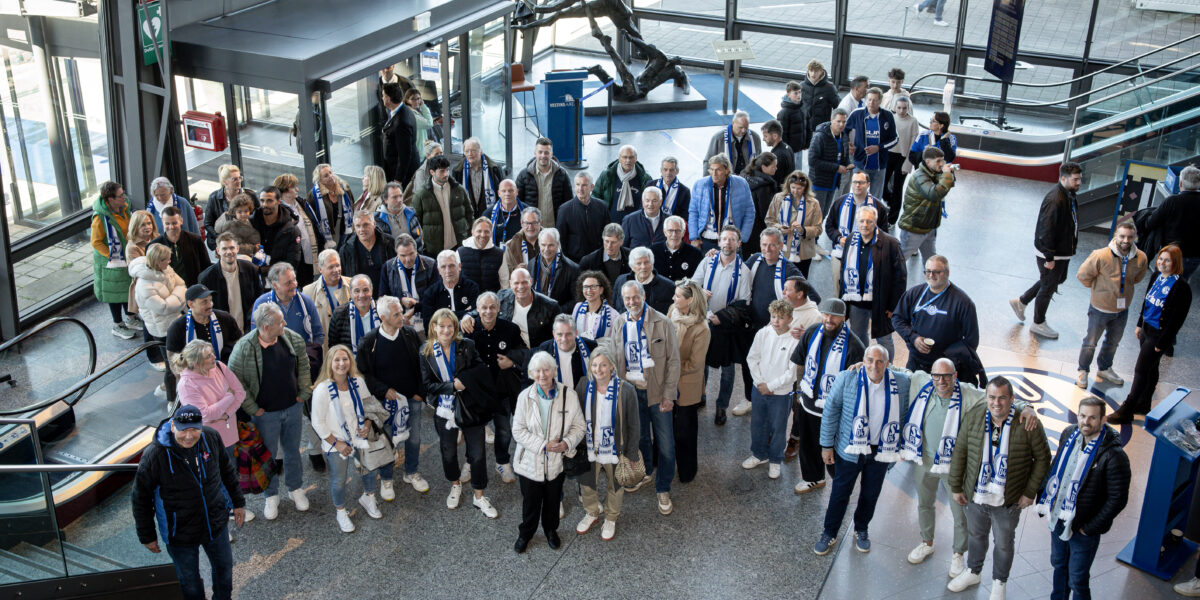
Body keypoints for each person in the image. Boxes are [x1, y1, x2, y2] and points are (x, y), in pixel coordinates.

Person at [898, 358, 1037, 578]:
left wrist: (1027, 407)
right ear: (931, 375)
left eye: (946, 376)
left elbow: (996, 398)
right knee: (924, 503)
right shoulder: (921, 381)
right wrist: (861, 365)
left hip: (952, 466)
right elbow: (898, 371)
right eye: (937, 376)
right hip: (923, 459)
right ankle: (927, 542)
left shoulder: (969, 393)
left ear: (955, 375)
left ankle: (958, 553)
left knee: (959, 512)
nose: (941, 381)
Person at [947, 377, 1051, 599]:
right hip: (976, 495)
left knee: (1003, 544)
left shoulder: (1027, 423)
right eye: (992, 397)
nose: (996, 403)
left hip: (1009, 500)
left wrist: (1029, 493)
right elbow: (960, 451)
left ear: (1012, 399)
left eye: (1002, 398)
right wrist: (956, 486)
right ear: (986, 397)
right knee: (976, 535)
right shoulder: (974, 416)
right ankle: (973, 571)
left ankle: (999, 582)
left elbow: (1043, 459)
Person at [132, 405, 244, 600]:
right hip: (179, 532)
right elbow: (140, 498)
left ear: (201, 426)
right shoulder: (155, 455)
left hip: (215, 522)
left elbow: (227, 471)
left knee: (224, 570)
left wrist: (238, 502)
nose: (189, 436)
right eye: (183, 430)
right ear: (173, 426)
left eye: (194, 429)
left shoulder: (211, 437)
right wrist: (147, 536)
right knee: (189, 581)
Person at [813, 344, 911, 556]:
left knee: (871, 493)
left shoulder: (902, 382)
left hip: (881, 451)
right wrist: (826, 445)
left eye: (880, 361)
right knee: (840, 493)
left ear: (887, 364)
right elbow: (830, 412)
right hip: (850, 449)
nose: (874, 366)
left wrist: (899, 448)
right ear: (863, 361)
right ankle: (829, 533)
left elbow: (903, 414)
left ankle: (861, 529)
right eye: (869, 360)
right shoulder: (847, 378)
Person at [1036, 396, 1130, 600]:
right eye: (1082, 416)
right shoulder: (1069, 434)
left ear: (1103, 420)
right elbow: (1056, 467)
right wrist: (1044, 498)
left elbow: (1118, 499)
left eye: (1092, 418)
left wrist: (1090, 528)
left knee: (1077, 579)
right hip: (1058, 518)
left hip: (1083, 528)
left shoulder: (1114, 455)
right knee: (1059, 566)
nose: (1086, 422)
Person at [229, 302, 313, 520]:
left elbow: (304, 366)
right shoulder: (244, 348)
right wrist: (253, 409)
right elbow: (235, 382)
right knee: (267, 456)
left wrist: (304, 392)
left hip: (293, 408)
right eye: (280, 322)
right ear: (266, 327)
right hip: (265, 415)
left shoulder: (292, 338)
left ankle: (295, 488)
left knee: (293, 451)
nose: (285, 324)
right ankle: (271, 495)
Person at [603, 279, 681, 513]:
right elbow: (615, 359)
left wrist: (669, 395)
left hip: (658, 394)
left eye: (635, 297)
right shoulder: (619, 323)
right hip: (632, 393)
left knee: (666, 445)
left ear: (644, 296)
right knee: (641, 438)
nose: (632, 302)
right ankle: (646, 471)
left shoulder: (662, 322)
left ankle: (663, 487)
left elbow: (674, 361)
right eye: (627, 298)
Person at [419, 308, 499, 518]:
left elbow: (481, 371)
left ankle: (479, 496)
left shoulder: (467, 346)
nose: (446, 330)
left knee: (478, 453)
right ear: (434, 327)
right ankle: (455, 484)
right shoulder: (425, 352)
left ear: (455, 328)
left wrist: (465, 381)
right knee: (448, 452)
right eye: (442, 326)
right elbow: (427, 386)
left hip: (470, 406)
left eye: (450, 326)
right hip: (444, 410)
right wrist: (452, 387)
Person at [310, 344, 391, 532]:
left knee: (369, 468)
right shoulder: (322, 389)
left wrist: (368, 424)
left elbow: (370, 407)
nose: (341, 363)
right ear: (330, 363)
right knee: (339, 480)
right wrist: (336, 443)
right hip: (336, 442)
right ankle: (341, 511)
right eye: (337, 360)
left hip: (360, 437)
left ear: (350, 362)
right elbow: (317, 422)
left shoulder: (358, 382)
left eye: (345, 359)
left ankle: (368, 497)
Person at [1109, 245, 1193, 424]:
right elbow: (1147, 301)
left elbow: (1176, 321)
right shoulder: (1156, 276)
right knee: (1151, 368)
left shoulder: (1182, 288)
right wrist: (1140, 323)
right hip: (1147, 330)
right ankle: (1143, 403)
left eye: (1167, 260)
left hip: (1158, 336)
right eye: (1161, 259)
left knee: (1140, 370)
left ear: (1176, 263)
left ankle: (1127, 409)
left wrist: (1163, 343)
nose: (1162, 263)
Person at [512, 351, 586, 553]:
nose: (542, 375)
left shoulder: (568, 395)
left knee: (553, 501)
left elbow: (579, 426)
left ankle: (551, 531)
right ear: (531, 373)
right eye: (537, 371)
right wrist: (543, 445)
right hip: (530, 462)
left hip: (556, 462)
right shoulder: (524, 397)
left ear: (554, 371)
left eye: (546, 370)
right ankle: (526, 533)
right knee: (530, 503)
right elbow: (518, 430)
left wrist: (567, 443)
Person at [789, 299, 865, 492]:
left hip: (833, 412)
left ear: (844, 318)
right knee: (807, 445)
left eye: (834, 316)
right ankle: (814, 478)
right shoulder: (812, 332)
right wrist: (800, 393)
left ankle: (841, 487)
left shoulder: (855, 347)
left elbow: (855, 388)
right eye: (826, 314)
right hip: (808, 403)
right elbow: (800, 362)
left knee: (833, 453)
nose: (829, 319)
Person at [356, 295, 430, 494]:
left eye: (401, 312)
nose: (402, 317)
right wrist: (384, 390)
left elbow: (422, 364)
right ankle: (387, 478)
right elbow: (364, 374)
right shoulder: (369, 341)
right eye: (396, 314)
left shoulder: (409, 334)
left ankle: (411, 472)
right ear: (383, 317)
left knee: (414, 438)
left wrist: (420, 392)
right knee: (387, 440)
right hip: (384, 403)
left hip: (412, 399)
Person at [731, 227, 803, 417]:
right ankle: (750, 398)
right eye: (764, 244)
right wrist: (713, 255)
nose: (767, 249)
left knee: (774, 365)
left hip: (776, 329)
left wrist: (795, 323)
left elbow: (809, 297)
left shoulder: (789, 269)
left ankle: (773, 399)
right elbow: (734, 269)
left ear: (780, 245)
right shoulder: (755, 260)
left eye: (772, 245)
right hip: (752, 325)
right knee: (749, 363)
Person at [1010, 162, 1085, 339]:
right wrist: (1049, 257)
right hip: (1053, 253)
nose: (1079, 183)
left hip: (1061, 251)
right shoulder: (1055, 199)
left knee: (1055, 280)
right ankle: (1038, 323)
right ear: (1063, 178)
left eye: (1080, 179)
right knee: (1048, 286)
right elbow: (1046, 230)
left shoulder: (1068, 195)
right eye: (1075, 179)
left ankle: (1021, 301)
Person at [574, 348, 640, 541]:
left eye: (603, 365)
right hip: (589, 447)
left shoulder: (626, 390)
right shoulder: (583, 385)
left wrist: (632, 454)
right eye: (594, 365)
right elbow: (576, 416)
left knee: (616, 484)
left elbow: (634, 424)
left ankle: (611, 517)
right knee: (586, 483)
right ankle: (592, 512)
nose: (598, 369)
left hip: (615, 449)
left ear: (612, 366)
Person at [691, 225, 752, 425]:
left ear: (738, 243)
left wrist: (723, 317)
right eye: (724, 239)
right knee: (702, 362)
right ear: (719, 242)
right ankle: (700, 395)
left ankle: (721, 406)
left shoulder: (744, 271)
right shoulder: (708, 261)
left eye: (732, 239)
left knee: (727, 369)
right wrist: (701, 293)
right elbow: (692, 286)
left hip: (727, 324)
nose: (727, 243)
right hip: (705, 320)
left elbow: (743, 303)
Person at [1075, 223, 1148, 389]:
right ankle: (1083, 370)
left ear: (1135, 237)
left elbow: (1138, 278)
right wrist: (1100, 291)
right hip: (1099, 309)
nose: (1126, 240)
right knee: (1090, 342)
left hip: (1122, 310)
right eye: (1122, 236)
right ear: (1116, 235)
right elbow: (1083, 275)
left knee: (1113, 343)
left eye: (1130, 237)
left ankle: (1104, 368)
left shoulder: (1141, 257)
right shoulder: (1100, 255)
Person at [466, 291, 529, 480]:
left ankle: (502, 462)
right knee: (475, 430)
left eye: (492, 307)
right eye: (484, 308)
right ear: (477, 309)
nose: (488, 311)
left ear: (499, 308)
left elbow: (524, 352)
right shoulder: (468, 329)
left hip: (502, 390)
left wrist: (511, 361)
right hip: (477, 391)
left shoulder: (510, 329)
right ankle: (470, 462)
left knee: (504, 429)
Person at [742, 300, 802, 479]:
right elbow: (752, 358)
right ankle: (759, 454)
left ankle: (775, 460)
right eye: (773, 316)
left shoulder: (795, 341)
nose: (776, 320)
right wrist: (760, 383)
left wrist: (771, 386)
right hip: (759, 388)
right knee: (757, 423)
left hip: (781, 393)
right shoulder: (763, 333)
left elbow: (791, 373)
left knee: (778, 427)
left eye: (781, 317)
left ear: (790, 319)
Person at [892, 255, 980, 375]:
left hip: (945, 368)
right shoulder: (914, 293)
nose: (931, 275)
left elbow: (972, 340)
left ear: (947, 273)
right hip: (916, 362)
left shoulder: (963, 303)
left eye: (936, 272)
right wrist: (913, 338)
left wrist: (952, 360)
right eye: (928, 271)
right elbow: (897, 318)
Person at [838, 205, 906, 360]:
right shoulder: (851, 240)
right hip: (856, 302)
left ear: (875, 222)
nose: (865, 225)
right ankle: (863, 363)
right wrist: (843, 301)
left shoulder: (890, 243)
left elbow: (900, 277)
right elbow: (843, 270)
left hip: (881, 304)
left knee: (884, 340)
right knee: (858, 336)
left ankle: (888, 367)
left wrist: (894, 306)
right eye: (861, 221)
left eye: (869, 221)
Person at [165, 285, 242, 409]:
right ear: (191, 304)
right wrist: (185, 384)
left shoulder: (224, 318)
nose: (210, 304)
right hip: (196, 381)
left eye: (210, 300)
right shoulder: (178, 327)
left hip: (225, 375)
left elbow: (238, 342)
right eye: (204, 302)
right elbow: (173, 360)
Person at [667, 280, 710, 483]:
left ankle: (687, 471)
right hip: (667, 383)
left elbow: (695, 364)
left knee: (685, 432)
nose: (673, 298)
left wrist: (669, 366)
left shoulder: (702, 328)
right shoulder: (672, 311)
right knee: (666, 427)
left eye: (677, 296)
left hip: (687, 386)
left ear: (690, 300)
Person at [175, 339, 246, 454]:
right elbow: (205, 414)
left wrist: (227, 414)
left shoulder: (219, 366)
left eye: (212, 352)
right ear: (196, 364)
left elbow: (240, 392)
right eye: (208, 356)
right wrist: (229, 397)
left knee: (231, 462)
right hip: (209, 440)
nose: (214, 356)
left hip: (230, 432)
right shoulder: (187, 385)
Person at [463, 267, 558, 349]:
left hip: (537, 354)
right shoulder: (502, 296)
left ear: (531, 282)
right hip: (508, 350)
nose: (520, 287)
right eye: (516, 283)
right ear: (510, 284)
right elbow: (486, 307)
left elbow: (557, 337)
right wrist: (468, 315)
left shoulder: (550, 306)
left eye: (524, 282)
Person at [132, 244, 187, 375]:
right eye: (167, 259)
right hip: (162, 329)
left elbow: (181, 284)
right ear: (158, 262)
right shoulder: (144, 285)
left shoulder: (166, 269)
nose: (170, 261)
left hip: (175, 320)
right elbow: (163, 307)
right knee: (172, 366)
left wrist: (174, 297)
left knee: (183, 359)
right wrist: (180, 296)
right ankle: (172, 386)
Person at [898, 147, 956, 263]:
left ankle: (931, 275)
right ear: (928, 162)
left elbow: (948, 185)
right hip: (914, 228)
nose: (941, 164)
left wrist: (949, 175)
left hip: (928, 226)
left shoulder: (934, 173)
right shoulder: (919, 176)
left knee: (931, 261)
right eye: (938, 161)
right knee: (899, 261)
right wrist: (946, 175)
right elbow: (934, 194)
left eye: (942, 160)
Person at [689, 153, 755, 252]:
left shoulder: (741, 183)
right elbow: (693, 212)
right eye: (711, 169)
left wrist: (742, 237)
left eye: (718, 170)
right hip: (706, 240)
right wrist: (694, 237)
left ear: (727, 170)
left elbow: (749, 212)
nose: (714, 173)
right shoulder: (699, 185)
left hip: (732, 240)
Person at [199, 233, 262, 332]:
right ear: (218, 251)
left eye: (232, 248)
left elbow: (259, 296)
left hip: (248, 328)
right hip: (222, 330)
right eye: (224, 249)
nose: (229, 252)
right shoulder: (206, 277)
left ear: (237, 249)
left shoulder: (250, 269)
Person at [1146, 164, 1200, 280]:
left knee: (1160, 284)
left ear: (1180, 183)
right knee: (1180, 284)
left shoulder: (1172, 201)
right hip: (1194, 256)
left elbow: (1150, 223)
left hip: (1170, 254)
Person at [766, 170, 824, 277]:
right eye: (793, 187)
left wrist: (803, 230)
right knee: (780, 279)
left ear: (805, 188)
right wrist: (779, 228)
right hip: (781, 249)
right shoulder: (778, 198)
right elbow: (769, 220)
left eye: (799, 188)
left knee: (800, 281)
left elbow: (818, 228)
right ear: (788, 185)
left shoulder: (814, 204)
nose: (795, 191)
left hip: (804, 252)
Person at [411, 155, 472, 256]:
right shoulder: (421, 194)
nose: (446, 174)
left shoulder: (459, 189)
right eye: (442, 171)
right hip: (434, 249)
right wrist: (423, 245)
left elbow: (469, 213)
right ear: (432, 172)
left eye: (447, 170)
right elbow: (416, 222)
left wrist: (468, 236)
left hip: (458, 245)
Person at [845, 88, 898, 200]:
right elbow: (843, 131)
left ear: (880, 101)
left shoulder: (887, 116)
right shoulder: (857, 114)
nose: (871, 103)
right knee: (857, 197)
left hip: (879, 166)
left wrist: (879, 147)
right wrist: (848, 144)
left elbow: (895, 139)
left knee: (875, 199)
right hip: (860, 163)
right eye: (869, 99)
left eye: (874, 100)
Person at [379, 234, 438, 332]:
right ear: (397, 254)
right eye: (403, 255)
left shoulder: (431, 265)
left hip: (427, 320)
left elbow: (435, 297)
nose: (408, 259)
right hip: (398, 323)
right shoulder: (387, 267)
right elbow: (383, 298)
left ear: (416, 251)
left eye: (411, 254)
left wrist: (415, 308)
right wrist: (400, 300)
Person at [276, 175, 327, 285]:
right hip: (295, 260)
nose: (297, 189)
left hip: (310, 255)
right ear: (284, 190)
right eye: (293, 187)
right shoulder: (279, 211)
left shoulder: (302, 203)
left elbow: (314, 225)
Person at [513, 137, 572, 227]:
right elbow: (517, 203)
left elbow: (569, 202)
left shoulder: (562, 175)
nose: (543, 155)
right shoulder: (523, 175)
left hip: (555, 228)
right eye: (540, 152)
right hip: (532, 228)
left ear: (551, 154)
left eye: (546, 153)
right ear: (535, 153)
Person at [301, 249, 352, 349]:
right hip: (324, 347)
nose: (336, 270)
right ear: (320, 269)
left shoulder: (353, 285)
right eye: (331, 267)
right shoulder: (308, 291)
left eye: (337, 265)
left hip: (348, 344)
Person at [338, 211, 396, 294]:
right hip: (360, 298)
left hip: (387, 296)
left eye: (365, 225)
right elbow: (344, 280)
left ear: (374, 224)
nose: (362, 229)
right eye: (358, 226)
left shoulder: (389, 243)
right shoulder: (346, 250)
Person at [556, 172, 610, 262]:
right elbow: (560, 240)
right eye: (577, 185)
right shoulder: (564, 210)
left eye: (584, 185)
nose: (580, 189)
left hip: (597, 260)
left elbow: (607, 234)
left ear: (591, 187)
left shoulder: (602, 207)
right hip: (574, 262)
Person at [152, 206, 211, 288]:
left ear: (181, 221)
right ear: (162, 222)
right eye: (167, 223)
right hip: (167, 290)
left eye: (174, 223)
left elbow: (206, 267)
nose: (171, 227)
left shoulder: (195, 240)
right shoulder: (155, 245)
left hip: (193, 288)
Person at [808, 108, 853, 215]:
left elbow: (844, 156)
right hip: (819, 184)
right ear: (831, 120)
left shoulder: (843, 136)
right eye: (838, 121)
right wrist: (836, 168)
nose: (841, 124)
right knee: (815, 216)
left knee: (824, 214)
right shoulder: (820, 137)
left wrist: (848, 164)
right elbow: (813, 161)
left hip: (832, 183)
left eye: (844, 122)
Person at [250, 187, 302, 278]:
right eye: (262, 201)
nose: (265, 204)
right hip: (253, 278)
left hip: (280, 279)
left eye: (269, 201)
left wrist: (262, 270)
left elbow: (292, 262)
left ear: (279, 201)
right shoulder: (250, 223)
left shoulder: (291, 229)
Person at [797, 61, 841, 168]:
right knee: (802, 157)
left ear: (821, 71)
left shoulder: (829, 88)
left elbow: (838, 106)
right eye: (811, 70)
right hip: (805, 128)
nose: (813, 74)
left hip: (821, 129)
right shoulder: (801, 86)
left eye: (816, 71)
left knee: (817, 157)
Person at [886, 96, 922, 227]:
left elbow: (913, 144)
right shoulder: (890, 117)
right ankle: (890, 203)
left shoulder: (913, 121)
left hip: (902, 157)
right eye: (899, 108)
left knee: (897, 187)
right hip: (888, 155)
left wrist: (908, 163)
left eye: (904, 108)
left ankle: (892, 219)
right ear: (895, 107)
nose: (901, 111)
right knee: (883, 185)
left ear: (908, 108)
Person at [595, 144, 652, 224]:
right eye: (624, 157)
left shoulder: (645, 179)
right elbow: (595, 197)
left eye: (631, 157)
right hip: (611, 224)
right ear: (619, 158)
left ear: (636, 158)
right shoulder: (607, 175)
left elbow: (650, 202)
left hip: (635, 224)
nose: (628, 160)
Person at [204, 164, 256, 250]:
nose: (239, 181)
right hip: (222, 242)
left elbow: (257, 218)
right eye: (234, 179)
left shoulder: (250, 195)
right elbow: (208, 224)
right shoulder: (214, 197)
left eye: (239, 178)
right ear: (225, 182)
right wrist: (221, 238)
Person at [420, 249, 480, 324]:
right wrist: (464, 313)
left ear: (459, 266)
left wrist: (441, 317)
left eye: (451, 266)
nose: (448, 271)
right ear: (438, 270)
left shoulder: (472, 288)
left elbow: (477, 315)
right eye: (443, 267)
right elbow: (429, 324)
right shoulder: (430, 293)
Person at [123, 209, 157, 334]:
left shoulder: (156, 238)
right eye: (143, 225)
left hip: (159, 283)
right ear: (135, 227)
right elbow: (140, 271)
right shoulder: (132, 247)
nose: (147, 227)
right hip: (145, 287)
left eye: (149, 223)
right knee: (150, 322)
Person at [613, 246, 674, 315]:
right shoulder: (621, 281)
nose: (643, 267)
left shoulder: (668, 286)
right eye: (639, 263)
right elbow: (614, 307)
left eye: (646, 262)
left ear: (652, 264)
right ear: (632, 267)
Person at [531, 227, 581, 312]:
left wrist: (556, 312)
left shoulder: (573, 269)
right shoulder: (532, 264)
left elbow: (576, 300)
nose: (546, 249)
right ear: (539, 244)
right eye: (543, 245)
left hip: (558, 316)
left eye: (551, 245)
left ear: (558, 245)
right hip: (535, 314)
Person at [380, 81, 419, 186]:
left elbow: (405, 154)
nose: (382, 98)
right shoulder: (402, 110)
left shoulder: (401, 123)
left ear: (388, 99)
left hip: (401, 175)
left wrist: (398, 179)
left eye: (383, 96)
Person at [328, 275, 381, 352]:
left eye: (365, 290)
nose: (361, 295)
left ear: (372, 291)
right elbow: (333, 348)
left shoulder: (382, 310)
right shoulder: (339, 314)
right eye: (357, 291)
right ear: (350, 293)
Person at [454, 137, 504, 216]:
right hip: (468, 216)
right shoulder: (458, 171)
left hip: (490, 215)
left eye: (473, 150)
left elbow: (502, 192)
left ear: (481, 151)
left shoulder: (494, 169)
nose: (470, 154)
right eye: (467, 151)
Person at [742, 153, 780, 256]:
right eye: (773, 166)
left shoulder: (745, 176)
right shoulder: (765, 187)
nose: (776, 168)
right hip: (758, 230)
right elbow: (766, 213)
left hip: (744, 228)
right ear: (764, 167)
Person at [309, 163, 356, 246]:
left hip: (346, 233)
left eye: (330, 173)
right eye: (326, 176)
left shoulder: (344, 188)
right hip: (326, 238)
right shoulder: (314, 195)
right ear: (319, 180)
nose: (330, 176)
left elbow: (352, 206)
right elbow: (312, 217)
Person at [704, 111, 762, 176]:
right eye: (740, 127)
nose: (744, 130)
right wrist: (706, 180)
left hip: (748, 177)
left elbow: (759, 162)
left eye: (746, 127)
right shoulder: (719, 138)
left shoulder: (755, 138)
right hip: (726, 177)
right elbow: (708, 161)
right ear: (733, 123)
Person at [457, 217, 505, 293]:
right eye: (479, 231)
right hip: (467, 298)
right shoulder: (460, 252)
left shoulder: (500, 254)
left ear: (491, 233)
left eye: (486, 231)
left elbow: (504, 282)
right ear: (472, 232)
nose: (483, 235)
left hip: (492, 298)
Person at [500, 207, 544, 288]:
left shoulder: (552, 240)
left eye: (534, 222)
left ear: (540, 222)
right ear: (521, 223)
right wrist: (515, 270)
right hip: (522, 289)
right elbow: (504, 273)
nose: (530, 227)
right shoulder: (510, 245)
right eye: (527, 223)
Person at [652, 216, 704, 282]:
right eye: (670, 231)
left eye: (678, 231)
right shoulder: (652, 251)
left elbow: (698, 281)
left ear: (683, 232)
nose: (674, 234)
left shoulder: (696, 254)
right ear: (665, 232)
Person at [572, 271, 620, 343]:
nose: (589, 290)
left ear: (601, 290)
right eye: (585, 287)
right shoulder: (577, 307)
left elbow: (617, 342)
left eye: (593, 287)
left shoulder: (614, 315)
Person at [375, 181, 424, 251]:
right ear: (385, 200)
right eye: (394, 197)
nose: (399, 200)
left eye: (400, 196)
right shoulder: (378, 219)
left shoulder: (411, 213)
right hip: (392, 257)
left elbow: (420, 237)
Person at [214, 193, 261, 257]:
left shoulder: (249, 221)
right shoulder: (231, 226)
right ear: (234, 212)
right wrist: (253, 248)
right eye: (240, 212)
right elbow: (235, 246)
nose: (243, 214)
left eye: (246, 211)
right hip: (237, 256)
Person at [487, 179, 526, 247]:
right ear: (499, 193)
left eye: (511, 190)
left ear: (517, 192)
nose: (507, 194)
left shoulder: (528, 211)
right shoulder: (488, 214)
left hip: (522, 251)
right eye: (503, 191)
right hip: (497, 252)